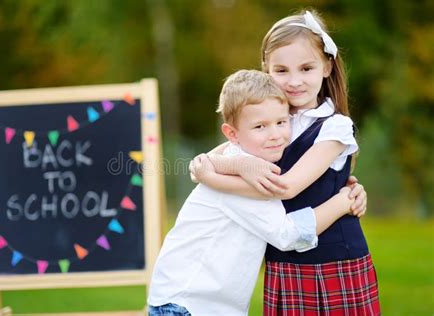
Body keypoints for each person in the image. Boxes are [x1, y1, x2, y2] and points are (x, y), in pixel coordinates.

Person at [191, 10, 380, 315]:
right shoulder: (271, 121)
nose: (294, 81)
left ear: (327, 67)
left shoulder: (335, 126)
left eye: (306, 68)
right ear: (266, 70)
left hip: (332, 259)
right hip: (283, 259)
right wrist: (237, 166)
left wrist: (210, 177)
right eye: (281, 71)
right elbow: (209, 159)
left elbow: (286, 187)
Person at [148, 69, 360, 316]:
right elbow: (287, 234)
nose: (275, 135)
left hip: (198, 303)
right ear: (232, 134)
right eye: (260, 126)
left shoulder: (243, 161)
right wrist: (342, 202)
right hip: (187, 304)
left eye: (281, 122)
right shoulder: (242, 173)